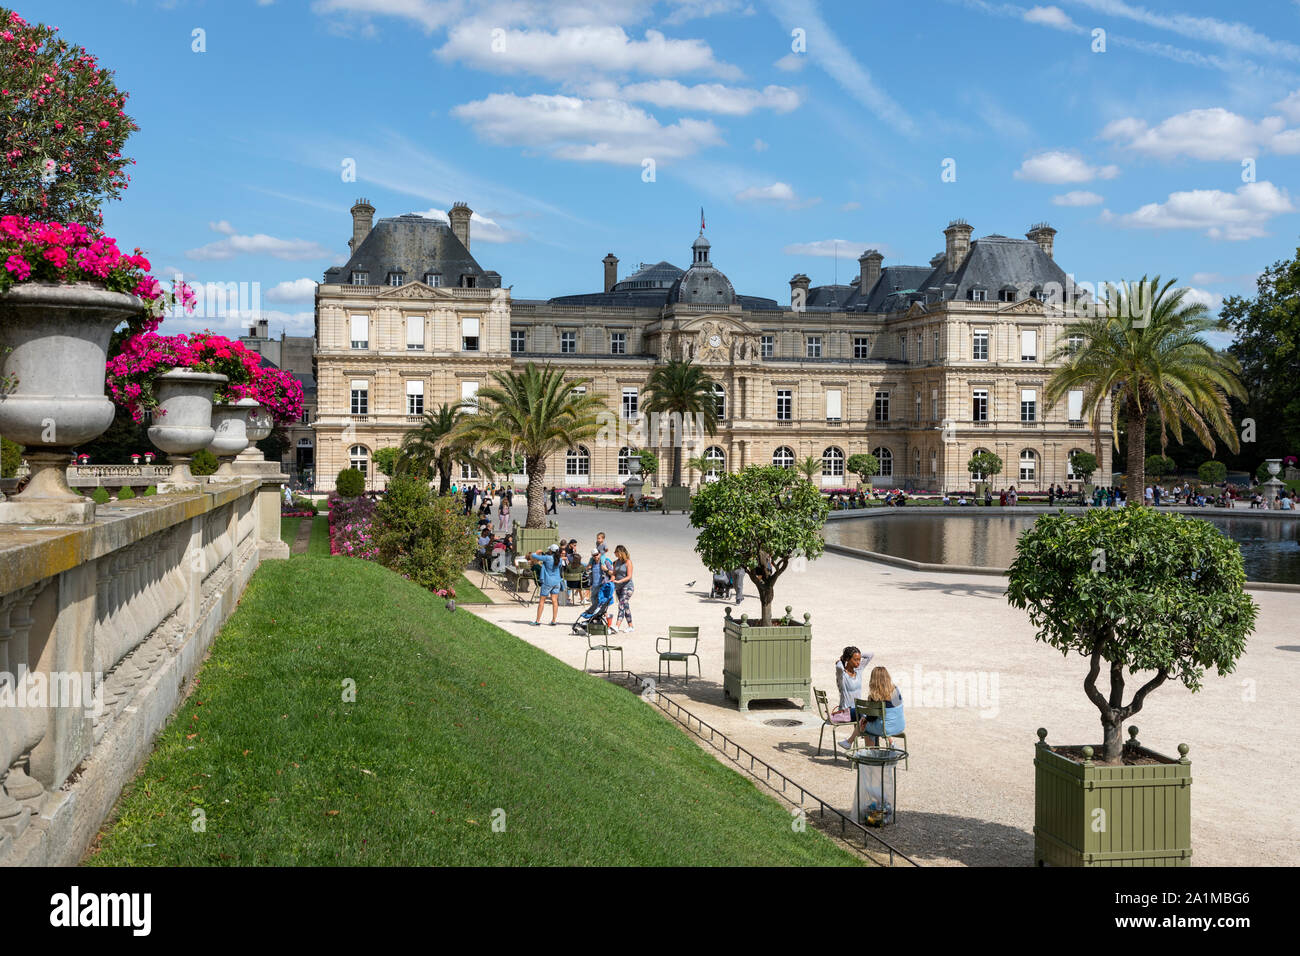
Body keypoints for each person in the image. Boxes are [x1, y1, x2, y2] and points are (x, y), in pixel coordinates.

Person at [833, 646, 875, 749]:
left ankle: (868, 749)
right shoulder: (842, 674)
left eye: (859, 659)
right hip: (846, 711)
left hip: (858, 711)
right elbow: (839, 666)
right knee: (867, 715)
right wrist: (843, 657)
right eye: (855, 659)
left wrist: (857, 653)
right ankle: (868, 750)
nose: (858, 662)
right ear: (848, 659)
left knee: (872, 717)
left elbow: (870, 654)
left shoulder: (859, 670)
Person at [858, 666, 906, 747]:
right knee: (880, 721)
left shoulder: (876, 696)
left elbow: (872, 718)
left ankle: (871, 754)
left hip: (885, 729)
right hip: (900, 725)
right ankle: (891, 743)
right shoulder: (895, 689)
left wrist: (865, 718)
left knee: (865, 724)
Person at [530, 544, 565, 626]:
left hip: (547, 582)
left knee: (542, 601)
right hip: (557, 582)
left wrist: (537, 552)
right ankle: (554, 620)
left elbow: (533, 556)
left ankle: (538, 620)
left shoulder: (547, 558)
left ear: (551, 551)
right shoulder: (559, 559)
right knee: (554, 601)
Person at [611, 544, 635, 633]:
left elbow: (629, 576)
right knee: (625, 606)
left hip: (628, 586)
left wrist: (619, 581)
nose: (614, 553)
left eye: (616, 552)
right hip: (618, 587)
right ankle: (631, 626)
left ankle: (617, 626)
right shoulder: (616, 562)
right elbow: (614, 573)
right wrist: (612, 579)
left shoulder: (628, 562)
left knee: (621, 604)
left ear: (620, 553)